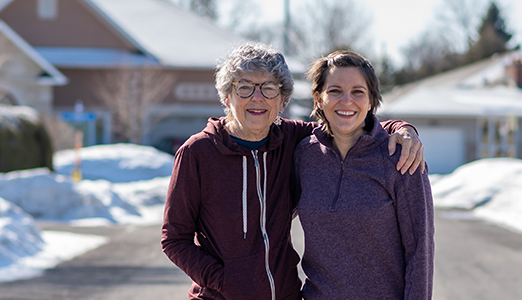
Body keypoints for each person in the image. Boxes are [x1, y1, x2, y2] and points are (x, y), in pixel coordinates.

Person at [161, 42, 424, 300]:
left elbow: (346, 119)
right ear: (227, 97)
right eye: (244, 88)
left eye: (269, 88)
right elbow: (174, 239)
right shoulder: (198, 152)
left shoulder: (291, 139)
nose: (257, 98)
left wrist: (402, 128)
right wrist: (223, 281)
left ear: (282, 99)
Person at [293, 50, 435, 300]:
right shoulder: (304, 155)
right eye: (335, 91)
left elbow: (420, 252)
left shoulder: (400, 158)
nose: (346, 101)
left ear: (371, 101)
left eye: (358, 92)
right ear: (318, 98)